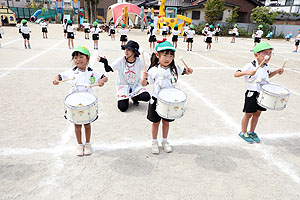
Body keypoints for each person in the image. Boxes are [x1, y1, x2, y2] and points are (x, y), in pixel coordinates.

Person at [52, 46, 108, 156]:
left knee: (87, 124)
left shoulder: (91, 72)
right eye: (75, 57)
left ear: (87, 58)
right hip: (75, 101)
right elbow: (59, 76)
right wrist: (56, 80)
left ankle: (87, 143)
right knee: (77, 125)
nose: (78, 60)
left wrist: (101, 81)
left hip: (87, 101)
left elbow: (105, 77)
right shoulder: (71, 72)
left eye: (81, 57)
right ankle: (79, 144)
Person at [141, 40, 193, 154]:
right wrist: (144, 77)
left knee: (166, 122)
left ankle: (164, 141)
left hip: (170, 100)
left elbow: (186, 71)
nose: (168, 58)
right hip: (156, 100)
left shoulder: (174, 68)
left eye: (170, 56)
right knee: (155, 123)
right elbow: (144, 84)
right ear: (157, 55)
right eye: (165, 55)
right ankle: (154, 142)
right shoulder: (153, 70)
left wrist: (189, 71)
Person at [233, 42, 284, 143]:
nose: (268, 56)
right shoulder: (250, 65)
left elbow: (267, 76)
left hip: (263, 93)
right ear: (256, 55)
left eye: (270, 53)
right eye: (266, 53)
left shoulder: (266, 66)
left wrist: (277, 71)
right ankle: (243, 132)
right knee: (248, 114)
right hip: (252, 92)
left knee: (257, 114)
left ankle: (252, 132)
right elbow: (236, 74)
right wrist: (247, 72)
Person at [98, 40, 151, 112]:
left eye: (129, 50)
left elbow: (150, 69)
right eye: (125, 49)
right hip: (123, 86)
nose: (126, 51)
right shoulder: (120, 61)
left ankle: (134, 97)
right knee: (123, 108)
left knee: (146, 97)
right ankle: (127, 98)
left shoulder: (140, 61)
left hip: (135, 86)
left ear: (134, 52)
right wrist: (105, 62)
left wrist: (154, 59)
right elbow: (108, 69)